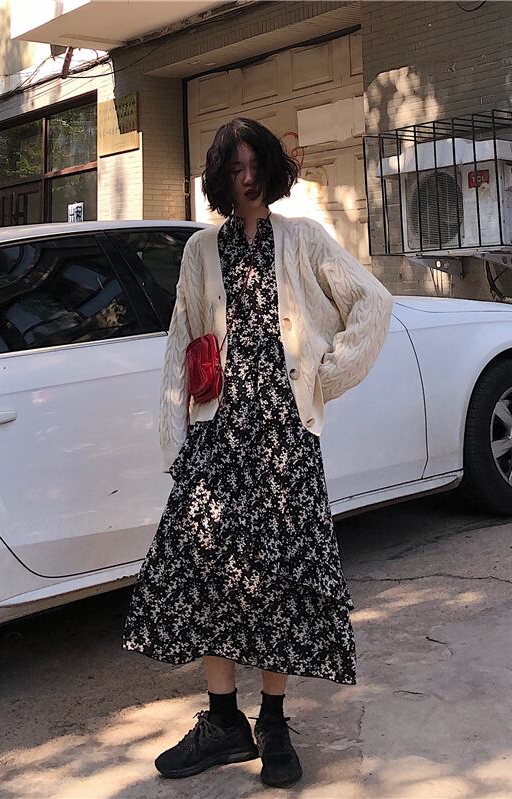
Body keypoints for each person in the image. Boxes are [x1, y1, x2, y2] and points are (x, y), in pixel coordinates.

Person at [122, 117, 394, 789]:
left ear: (271, 169)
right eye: (234, 167)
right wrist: (175, 436)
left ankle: (272, 721)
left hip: (284, 440)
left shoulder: (303, 238)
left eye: (255, 165)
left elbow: (373, 302)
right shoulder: (200, 251)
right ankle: (223, 723)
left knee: (279, 583)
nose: (246, 177)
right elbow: (183, 340)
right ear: (219, 177)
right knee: (209, 575)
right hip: (219, 436)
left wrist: (329, 374)